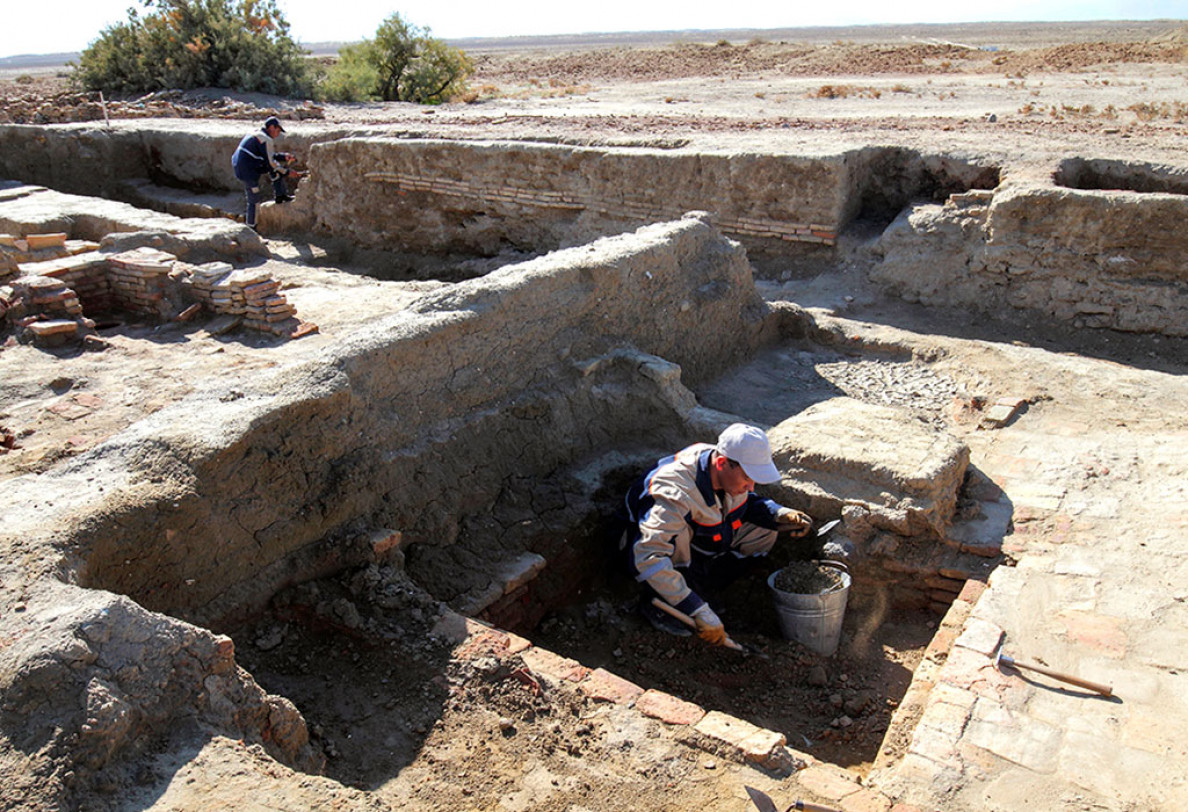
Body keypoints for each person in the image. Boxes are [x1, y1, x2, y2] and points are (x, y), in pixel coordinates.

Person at [616, 423, 813, 646]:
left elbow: (744, 503)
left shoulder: (723, 467)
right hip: (640, 551)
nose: (751, 486)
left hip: (702, 540)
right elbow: (647, 557)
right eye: (748, 478)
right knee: (677, 535)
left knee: (765, 529)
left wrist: (778, 513)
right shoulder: (673, 494)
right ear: (721, 464)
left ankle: (702, 589)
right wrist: (695, 609)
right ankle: (664, 605)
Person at [231, 116, 296, 230]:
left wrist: (283, 157)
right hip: (247, 170)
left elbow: (267, 156)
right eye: (278, 130)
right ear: (271, 127)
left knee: (274, 169)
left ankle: (280, 195)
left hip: (243, 165)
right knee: (254, 200)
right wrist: (287, 172)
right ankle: (252, 230)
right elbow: (271, 162)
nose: (278, 133)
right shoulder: (266, 139)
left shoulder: (257, 134)